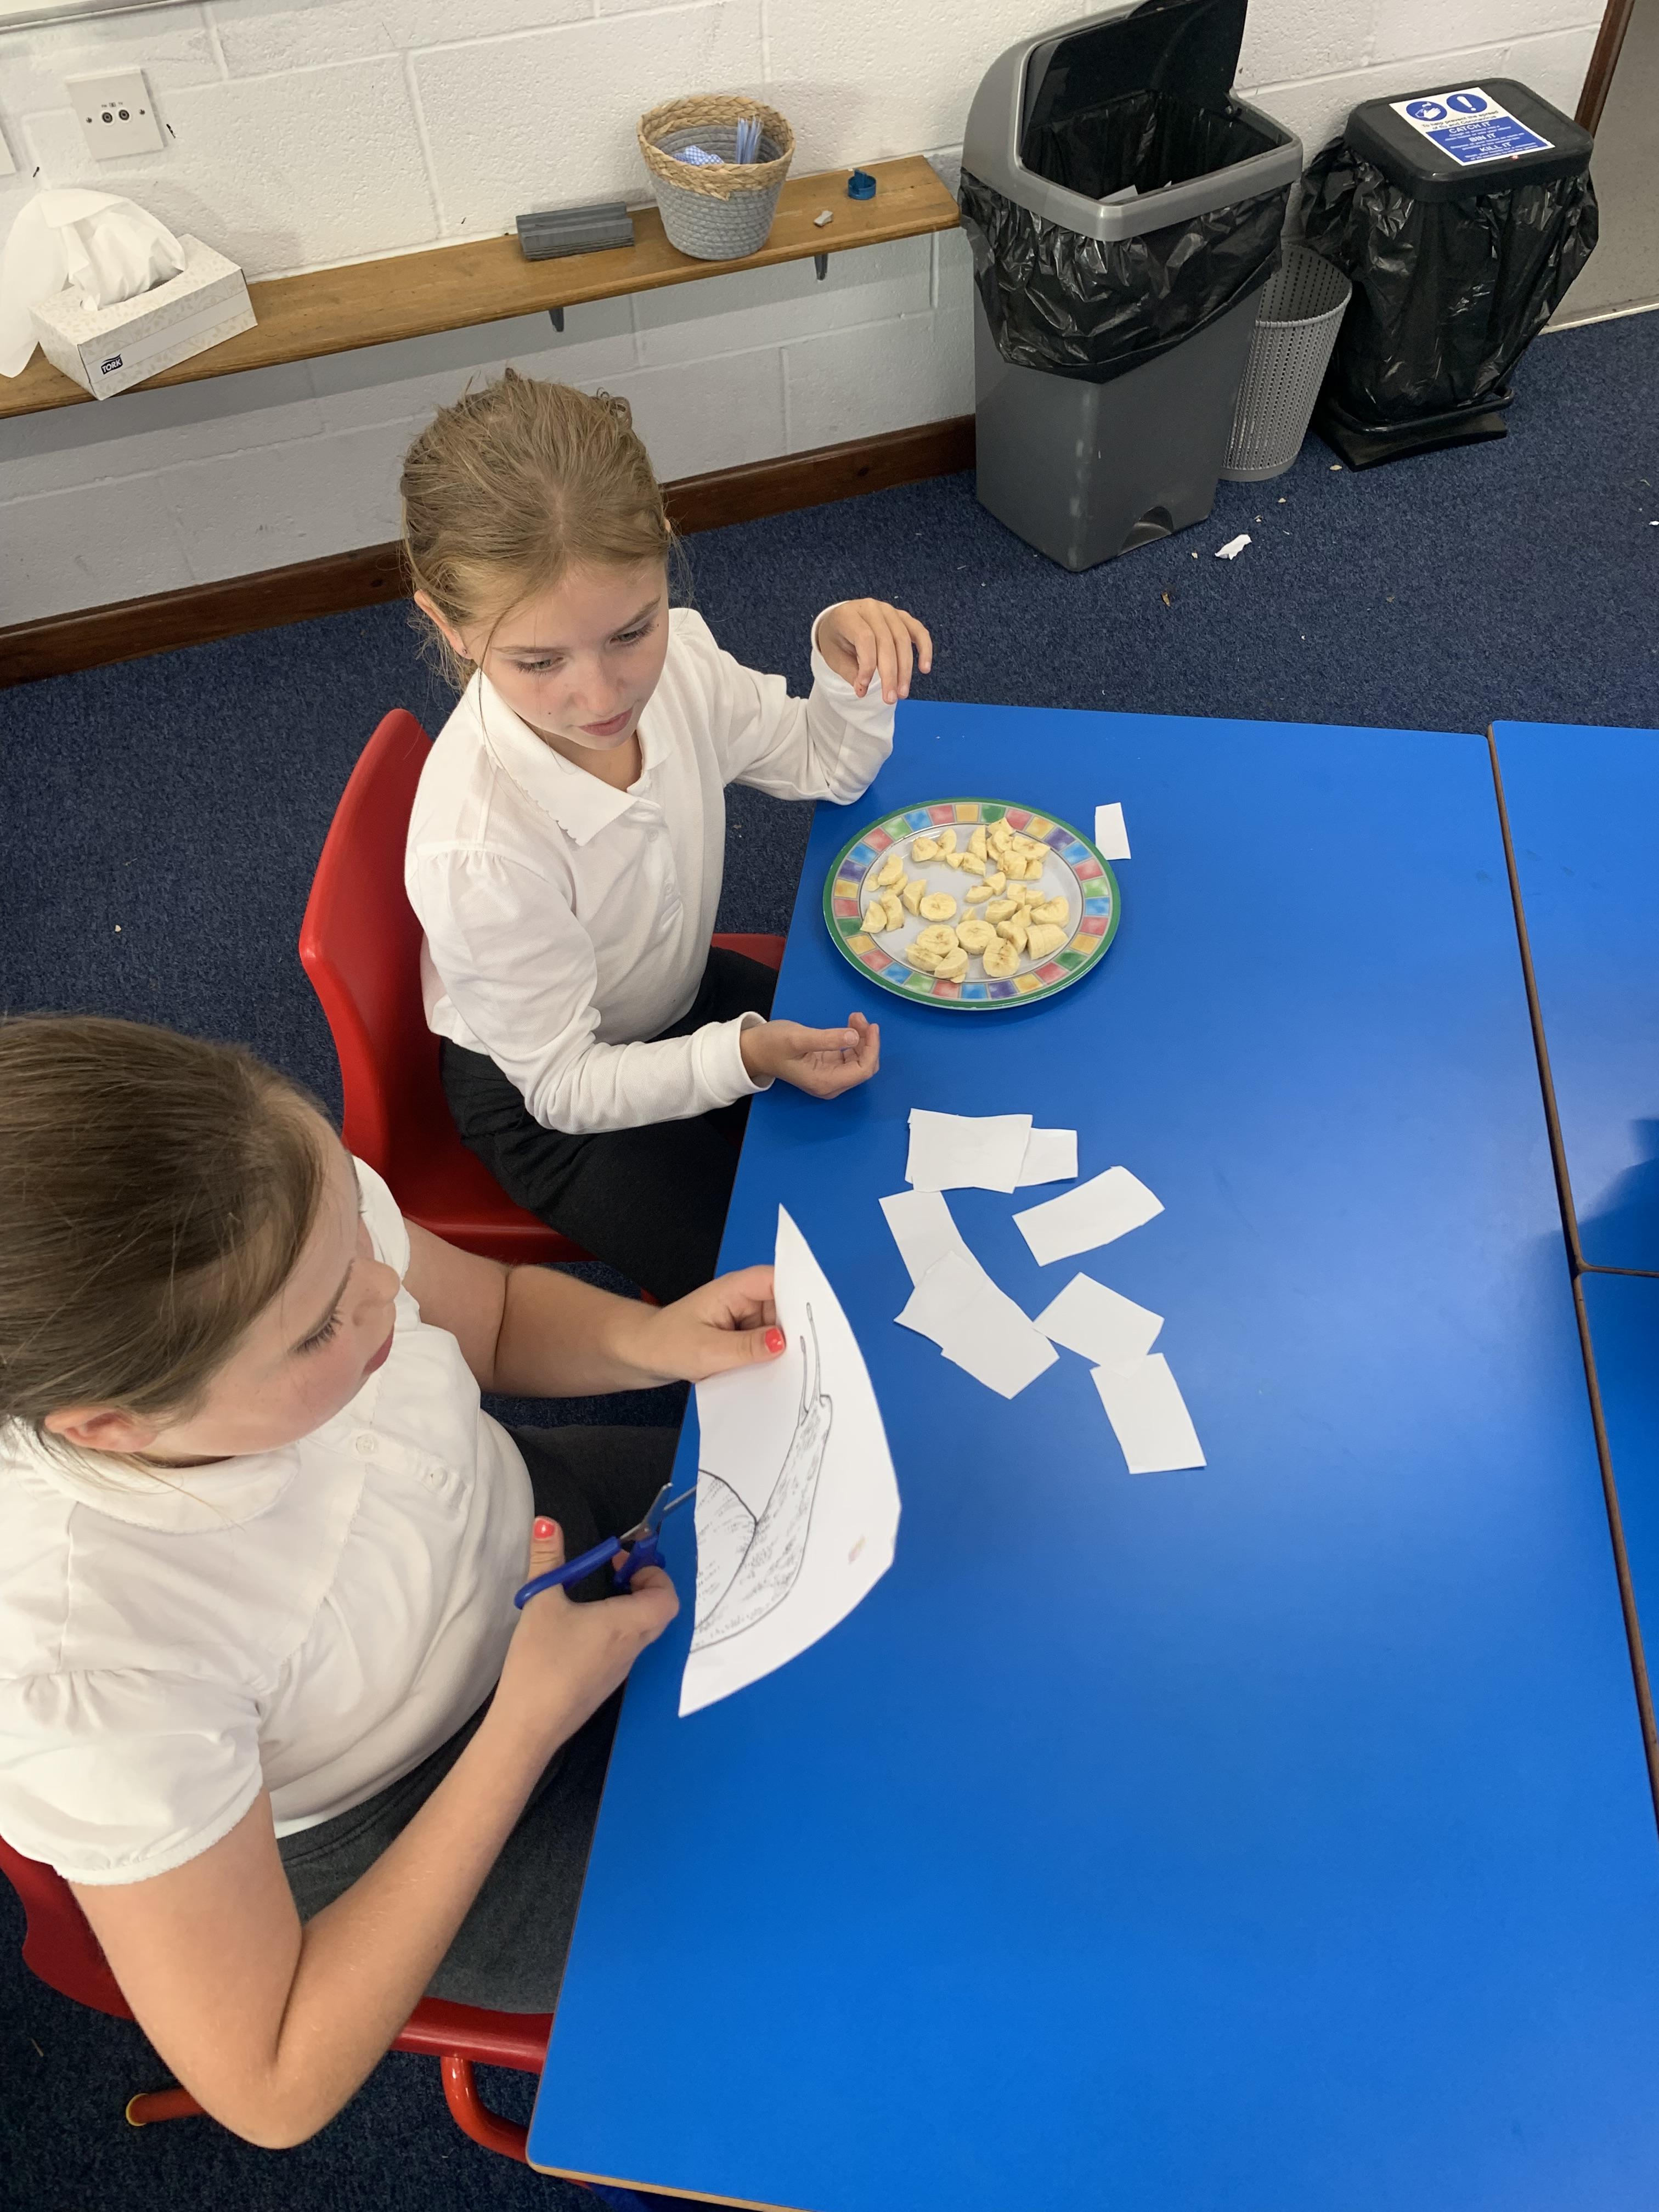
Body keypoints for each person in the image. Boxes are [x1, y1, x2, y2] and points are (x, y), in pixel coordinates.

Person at [0, 1013, 785, 2147]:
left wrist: (650, 1340)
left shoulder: (289, 1219)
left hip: (538, 1531)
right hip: (426, 1807)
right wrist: (526, 1724)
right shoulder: (79, 1660)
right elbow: (272, 2085)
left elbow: (496, 1314)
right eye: (323, 1327)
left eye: (359, 1238)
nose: (381, 1292)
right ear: (112, 1427)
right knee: (850, 1898)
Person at [400, 372, 933, 1304]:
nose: (602, 695)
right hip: (549, 1101)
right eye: (539, 661)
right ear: (450, 628)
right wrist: (742, 1058)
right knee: (785, 1295)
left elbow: (828, 765)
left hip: (674, 994)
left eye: (629, 632)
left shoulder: (681, 661)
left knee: (911, 1104)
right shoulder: (479, 851)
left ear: (664, 552)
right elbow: (564, 1086)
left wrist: (841, 662)